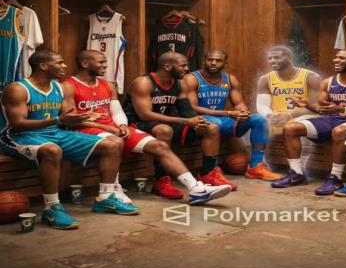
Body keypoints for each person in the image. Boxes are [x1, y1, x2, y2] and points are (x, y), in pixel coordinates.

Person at [63, 50, 231, 205]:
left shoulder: (108, 85)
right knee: (116, 142)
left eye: (105, 62)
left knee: (159, 146)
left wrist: (121, 125)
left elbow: (117, 111)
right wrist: (109, 128)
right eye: (101, 62)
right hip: (87, 130)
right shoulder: (68, 86)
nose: (105, 65)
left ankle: (196, 188)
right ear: (85, 63)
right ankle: (111, 192)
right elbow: (71, 120)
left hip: (113, 128)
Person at [0, 50, 139, 230]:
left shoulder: (59, 87)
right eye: (59, 62)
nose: (64, 66)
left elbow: (68, 118)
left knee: (113, 144)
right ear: (43, 66)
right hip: (19, 136)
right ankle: (52, 208)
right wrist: (58, 120)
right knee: (52, 150)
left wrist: (86, 118)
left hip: (55, 132)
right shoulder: (18, 89)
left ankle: (106, 198)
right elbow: (18, 124)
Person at [124, 52, 237, 190]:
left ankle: (208, 173)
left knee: (211, 127)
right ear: (167, 67)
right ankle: (161, 180)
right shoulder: (144, 82)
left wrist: (197, 121)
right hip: (137, 124)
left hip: (168, 121)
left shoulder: (180, 83)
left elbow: (185, 110)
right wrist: (185, 121)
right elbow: (145, 115)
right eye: (183, 66)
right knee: (164, 130)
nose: (187, 69)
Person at [272, 49, 346, 191]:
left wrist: (342, 110)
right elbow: (322, 110)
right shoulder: (328, 82)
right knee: (291, 128)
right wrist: (308, 105)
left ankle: (335, 177)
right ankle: (296, 174)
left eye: (341, 58)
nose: (336, 60)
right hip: (331, 119)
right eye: (336, 57)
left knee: (339, 131)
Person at [184, 49, 282, 180]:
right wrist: (228, 113)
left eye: (218, 61)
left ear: (225, 63)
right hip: (201, 119)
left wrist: (243, 112)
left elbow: (239, 103)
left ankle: (255, 167)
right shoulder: (191, 79)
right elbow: (193, 108)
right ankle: (211, 171)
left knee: (259, 120)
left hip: (222, 119)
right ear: (204, 61)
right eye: (210, 60)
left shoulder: (230, 79)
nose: (213, 63)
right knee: (215, 124)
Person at [256, 45, 321, 134]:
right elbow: (262, 105)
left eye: (277, 57)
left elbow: (315, 107)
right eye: (270, 58)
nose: (272, 61)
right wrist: (270, 116)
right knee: (259, 124)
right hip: (278, 119)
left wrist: (289, 115)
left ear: (290, 58)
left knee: (292, 128)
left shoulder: (311, 77)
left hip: (303, 117)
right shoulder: (265, 79)